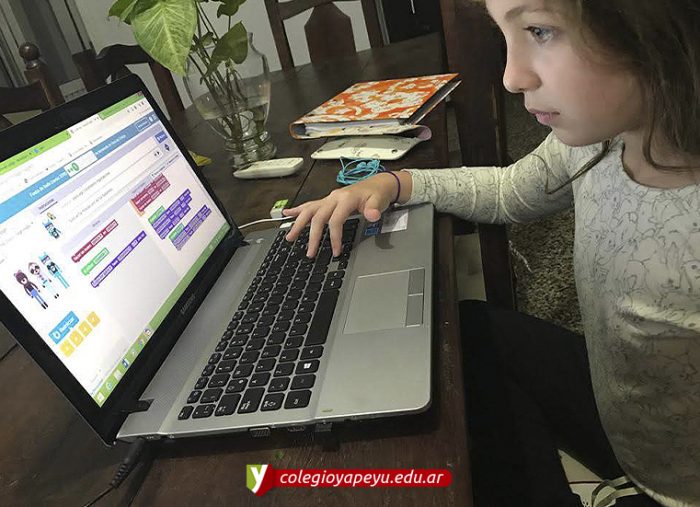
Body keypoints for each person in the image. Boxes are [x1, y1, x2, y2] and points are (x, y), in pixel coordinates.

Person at [282, 0, 700, 506]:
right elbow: (508, 192)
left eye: (540, 31)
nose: (511, 77)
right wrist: (395, 183)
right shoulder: (599, 141)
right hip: (622, 403)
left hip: (678, 484)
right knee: (472, 332)